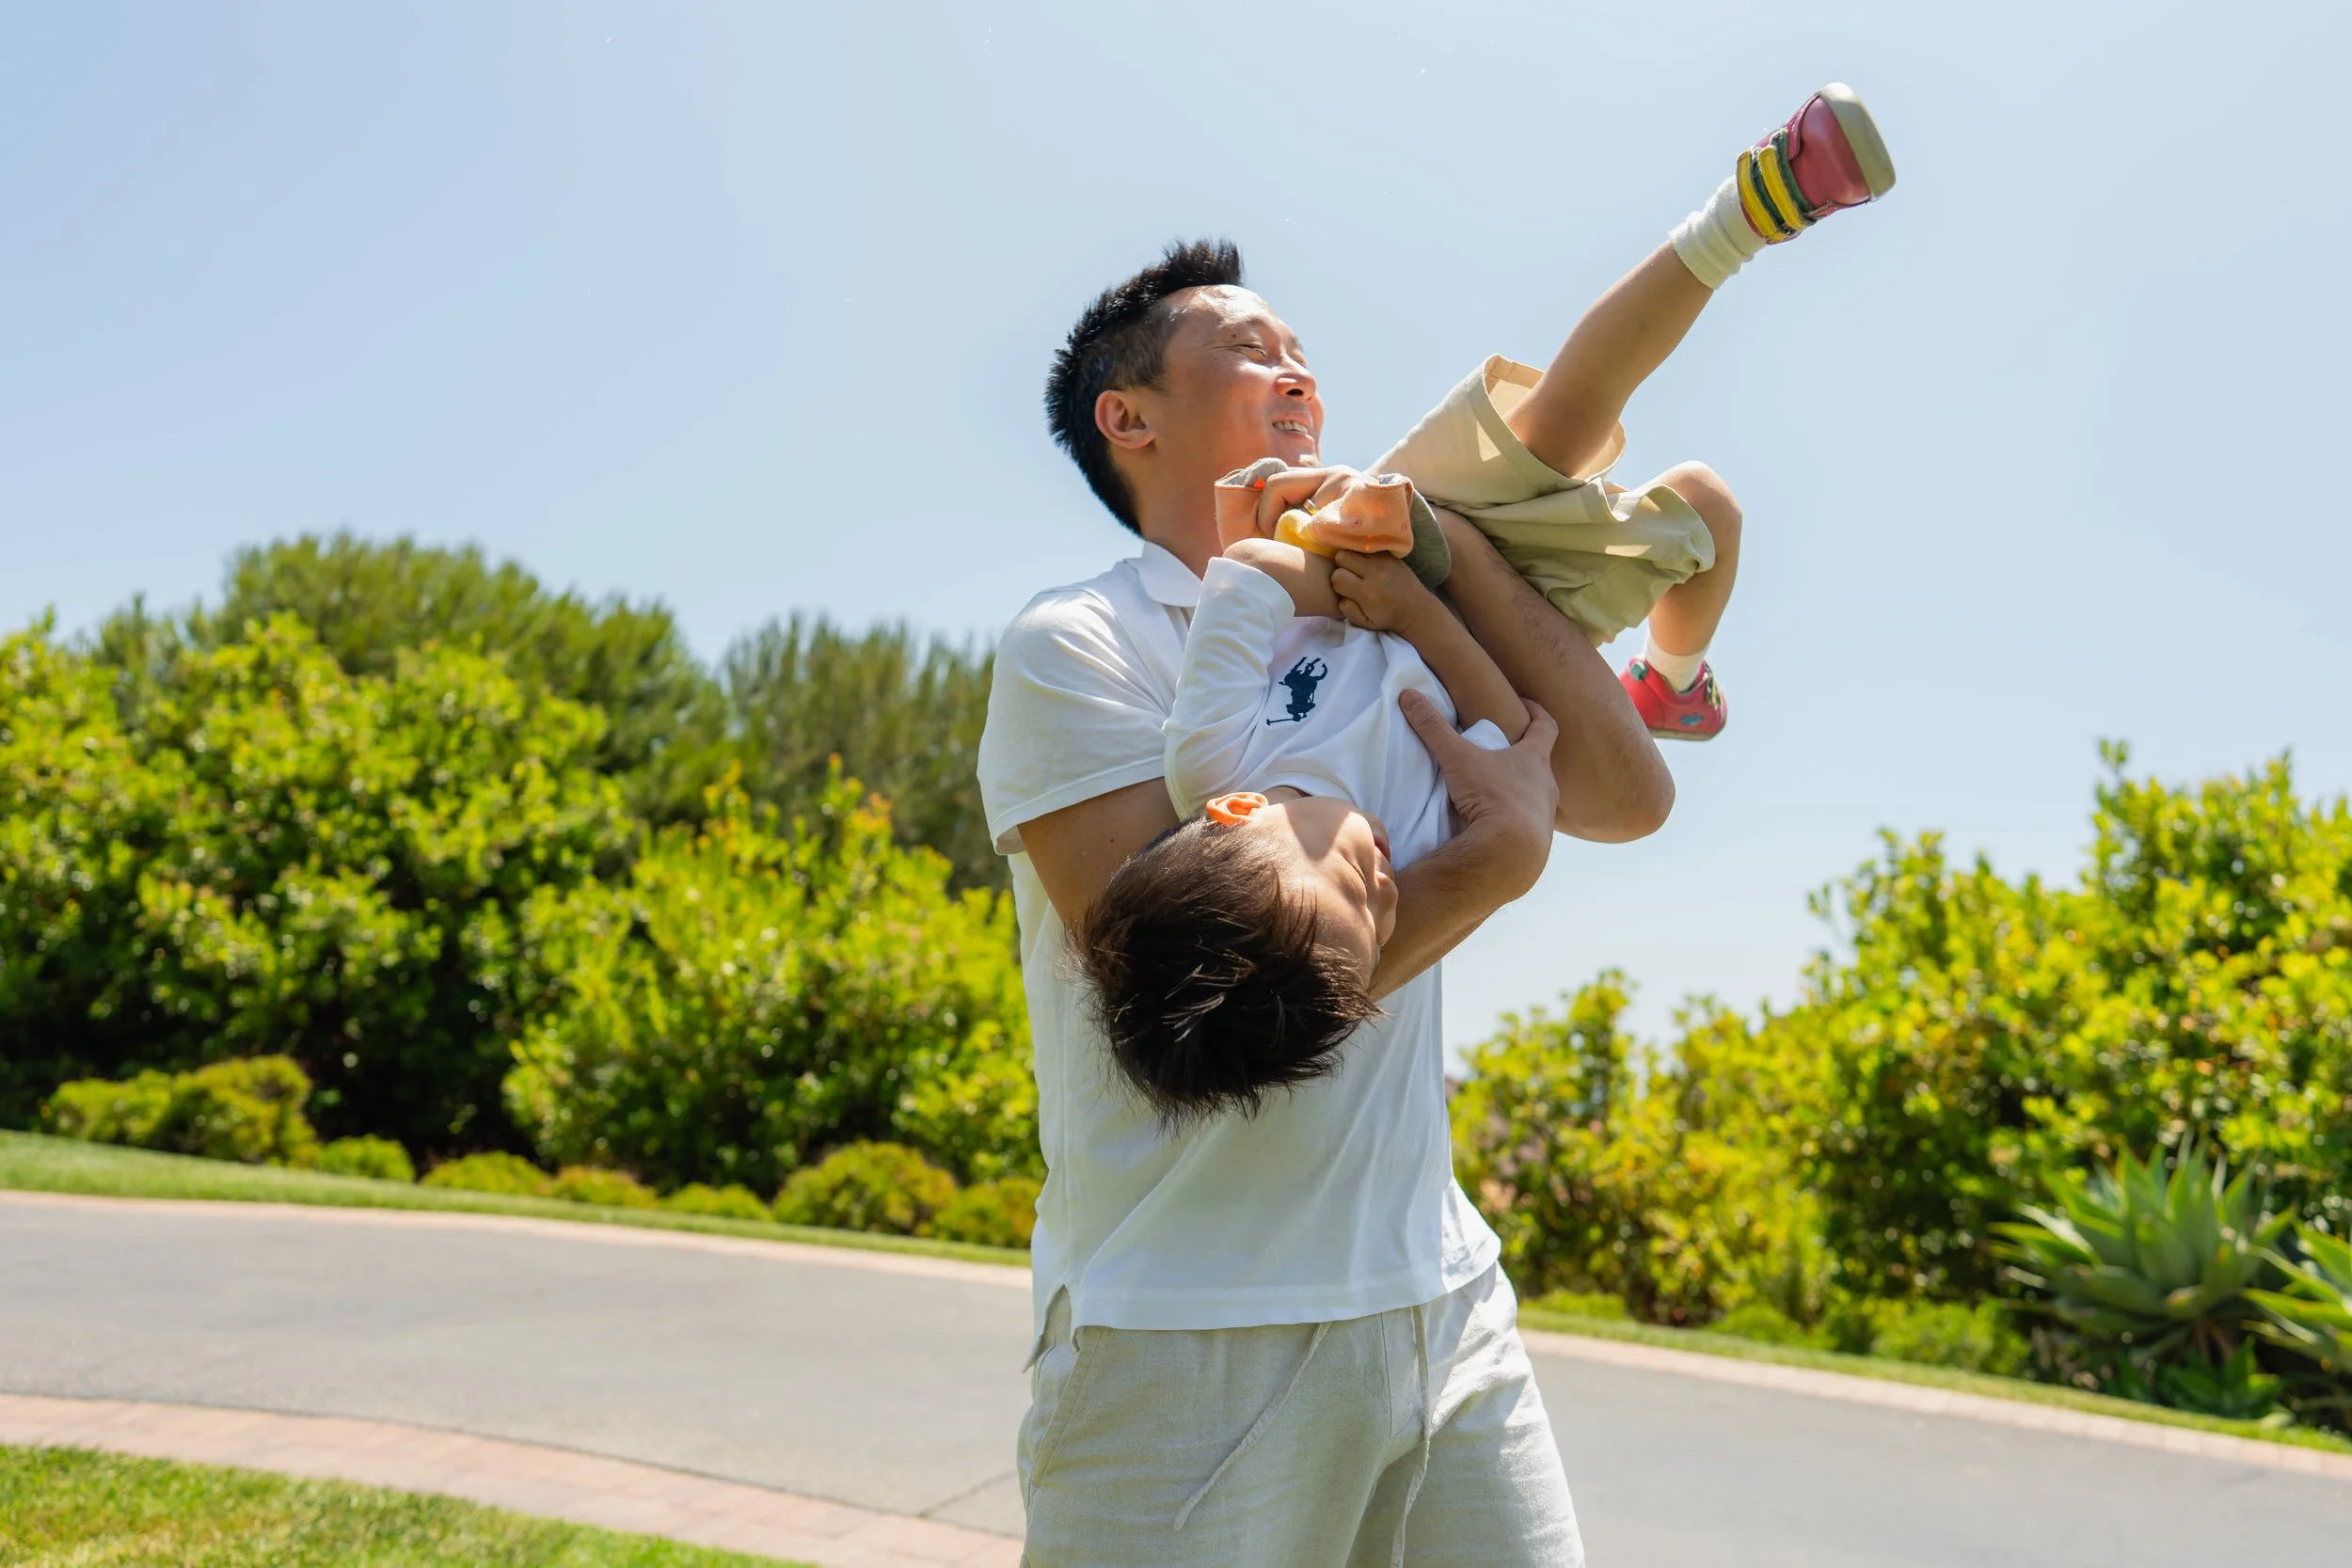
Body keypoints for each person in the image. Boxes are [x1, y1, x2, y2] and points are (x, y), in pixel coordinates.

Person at [977, 81, 1895, 1566]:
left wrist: (1439, 564)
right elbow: (1185, 1013)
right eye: (1247, 348)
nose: (1295, 367)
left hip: (1443, 1303)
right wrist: (1491, 863)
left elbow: (1628, 796)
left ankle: (1755, 205)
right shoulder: (1084, 645)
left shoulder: (1391, 587)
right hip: (1192, 1333)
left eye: (1300, 348)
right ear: (1129, 417)